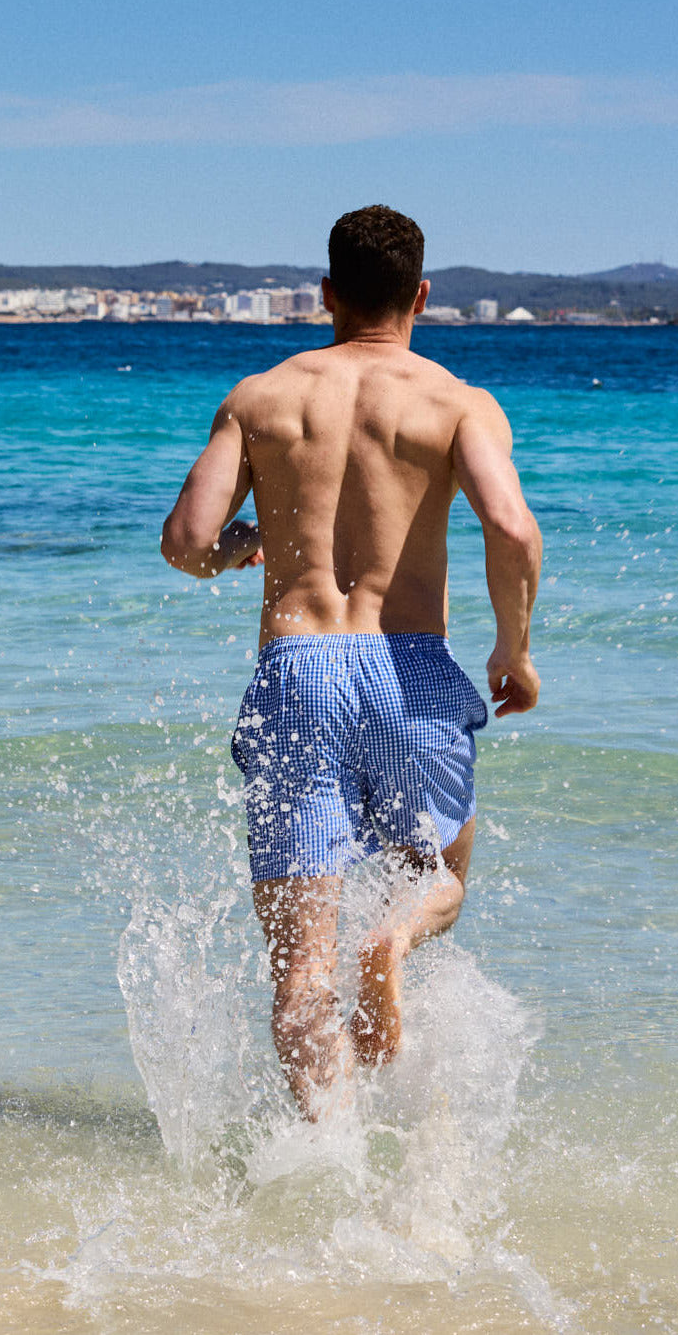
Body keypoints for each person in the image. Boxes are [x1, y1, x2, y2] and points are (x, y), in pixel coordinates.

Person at [161, 205, 542, 1120]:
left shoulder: (259, 399)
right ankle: (397, 937)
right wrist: (513, 648)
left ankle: (321, 1161)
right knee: (438, 878)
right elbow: (512, 529)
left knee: (299, 970)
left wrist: (238, 549)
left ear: (325, 293)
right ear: (421, 295)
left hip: (297, 670)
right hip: (409, 669)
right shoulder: (459, 403)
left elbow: (185, 540)